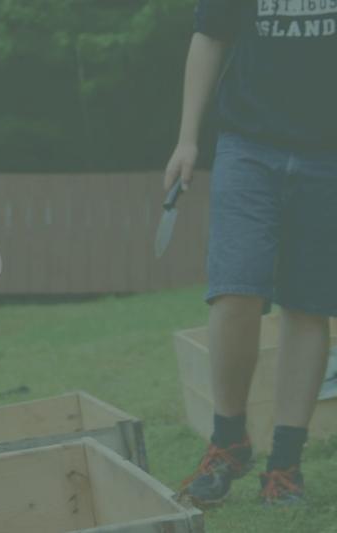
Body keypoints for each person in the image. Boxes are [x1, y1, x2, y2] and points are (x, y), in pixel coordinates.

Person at [164, 0, 337, 508]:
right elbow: (210, 36)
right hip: (248, 146)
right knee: (234, 289)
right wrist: (186, 140)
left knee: (308, 305)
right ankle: (229, 442)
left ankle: (284, 465)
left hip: (328, 155)